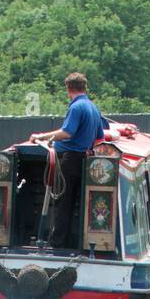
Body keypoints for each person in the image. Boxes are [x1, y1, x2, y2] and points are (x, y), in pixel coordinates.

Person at [30, 72, 107, 250]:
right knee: (82, 201)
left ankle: (58, 243)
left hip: (70, 160)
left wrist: (42, 136)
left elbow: (67, 132)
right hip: (85, 161)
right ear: (84, 87)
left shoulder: (76, 107)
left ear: (69, 89)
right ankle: (83, 242)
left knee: (64, 203)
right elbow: (99, 136)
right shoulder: (94, 108)